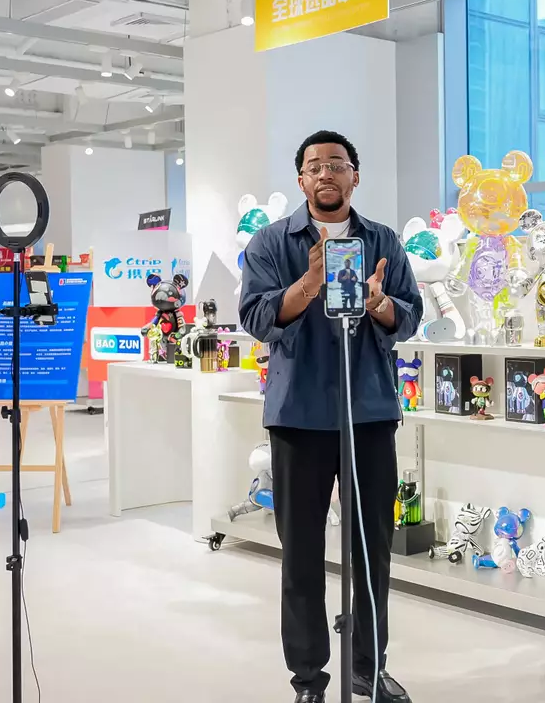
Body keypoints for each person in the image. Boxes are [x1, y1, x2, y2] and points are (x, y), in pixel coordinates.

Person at [239, 130, 422, 703]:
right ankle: (308, 680)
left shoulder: (382, 240)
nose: (326, 173)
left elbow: (410, 317)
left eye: (337, 164)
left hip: (368, 412)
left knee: (372, 552)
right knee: (300, 554)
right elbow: (256, 317)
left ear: (354, 176)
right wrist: (310, 283)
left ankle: (368, 667)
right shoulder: (271, 242)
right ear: (301, 179)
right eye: (314, 166)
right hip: (298, 416)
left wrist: (379, 303)